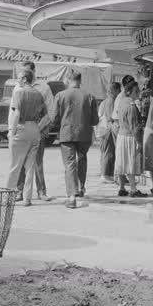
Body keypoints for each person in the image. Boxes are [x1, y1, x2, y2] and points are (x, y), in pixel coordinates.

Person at [53, 71, 99, 208]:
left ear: (68, 80)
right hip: (84, 134)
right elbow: (95, 120)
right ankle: (81, 187)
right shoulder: (90, 96)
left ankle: (72, 196)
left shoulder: (60, 95)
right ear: (80, 80)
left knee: (70, 164)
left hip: (67, 133)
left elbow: (55, 118)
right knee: (82, 159)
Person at [13, 62, 54, 202]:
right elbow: (13, 112)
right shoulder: (17, 88)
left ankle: (41, 191)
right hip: (22, 130)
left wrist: (39, 128)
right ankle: (19, 191)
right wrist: (11, 129)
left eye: (26, 73)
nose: (23, 76)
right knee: (20, 162)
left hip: (37, 129)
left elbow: (50, 112)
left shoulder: (44, 88)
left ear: (33, 72)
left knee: (37, 162)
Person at [6, 69, 47, 207]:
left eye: (19, 78)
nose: (18, 80)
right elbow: (46, 116)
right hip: (34, 130)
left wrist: (12, 131)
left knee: (15, 166)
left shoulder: (19, 93)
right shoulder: (39, 95)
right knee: (30, 167)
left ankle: (7, 198)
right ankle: (27, 199)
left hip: (21, 128)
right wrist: (37, 127)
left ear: (24, 79)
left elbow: (16, 114)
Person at [114, 80, 147, 197]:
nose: (138, 93)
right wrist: (140, 142)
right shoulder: (132, 106)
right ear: (129, 92)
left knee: (122, 163)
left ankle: (122, 187)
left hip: (121, 136)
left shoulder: (122, 102)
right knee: (130, 163)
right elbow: (135, 127)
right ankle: (133, 189)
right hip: (129, 137)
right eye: (136, 91)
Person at [98, 82, 121, 182]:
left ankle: (107, 174)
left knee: (107, 152)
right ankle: (106, 174)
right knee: (109, 152)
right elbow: (110, 117)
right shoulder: (111, 101)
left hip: (105, 129)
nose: (120, 92)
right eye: (119, 90)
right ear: (115, 90)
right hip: (109, 129)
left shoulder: (107, 100)